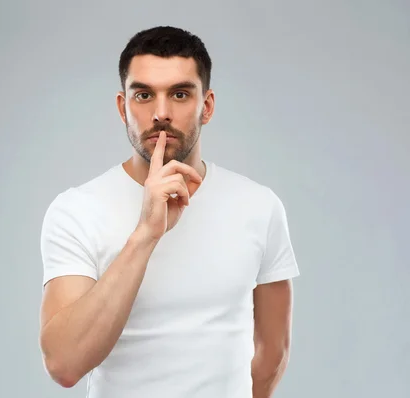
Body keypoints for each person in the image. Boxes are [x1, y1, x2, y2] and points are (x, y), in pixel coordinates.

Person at [38, 26, 300, 398]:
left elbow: (273, 352)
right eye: (143, 95)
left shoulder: (259, 206)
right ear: (122, 107)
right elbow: (64, 364)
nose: (161, 113)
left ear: (205, 106)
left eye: (179, 94)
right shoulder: (77, 210)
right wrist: (145, 234)